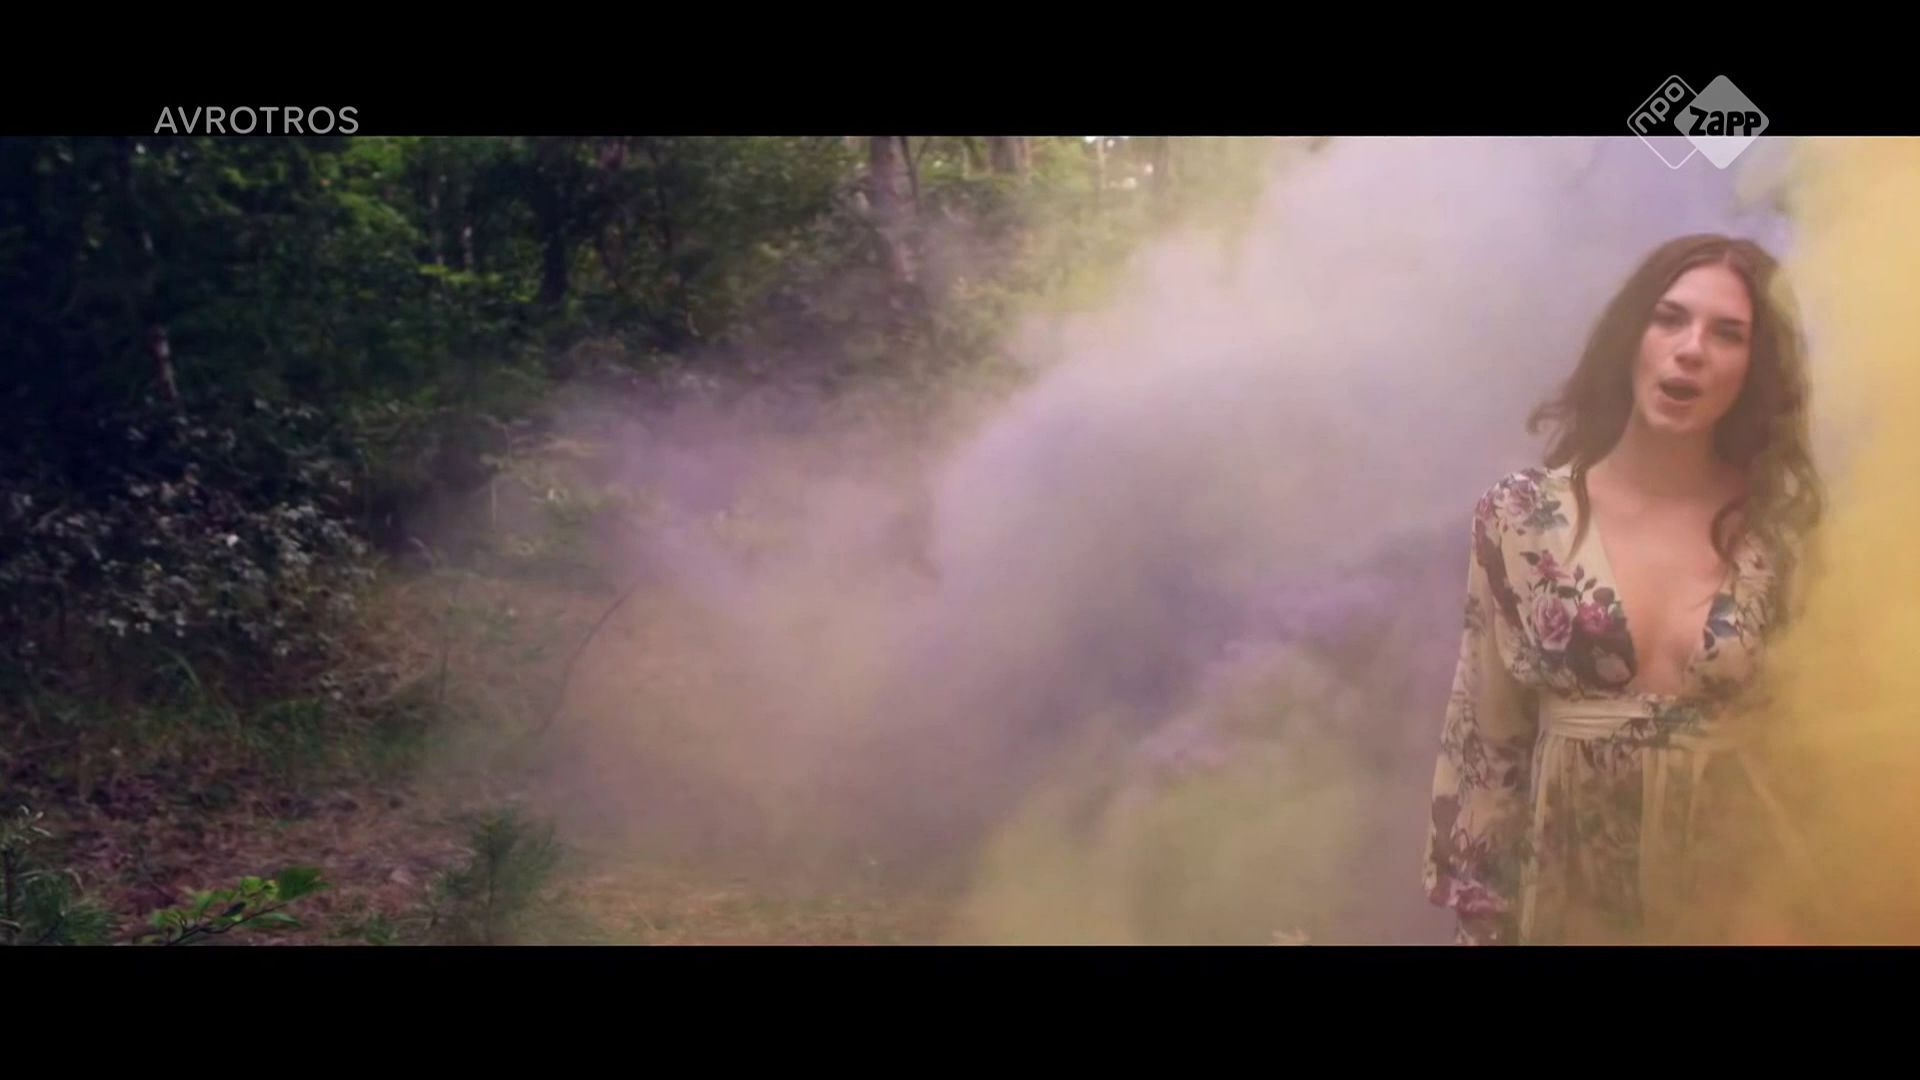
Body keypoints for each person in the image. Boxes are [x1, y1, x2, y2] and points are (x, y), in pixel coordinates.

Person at [1421, 233, 1825, 945]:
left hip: (1735, 905)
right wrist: (1482, 916)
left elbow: (1809, 756)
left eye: (1727, 334)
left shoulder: (1782, 535)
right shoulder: (1521, 518)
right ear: (1630, 336)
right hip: (1560, 900)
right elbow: (1486, 738)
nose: (1691, 349)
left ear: (1754, 369)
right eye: (1670, 318)